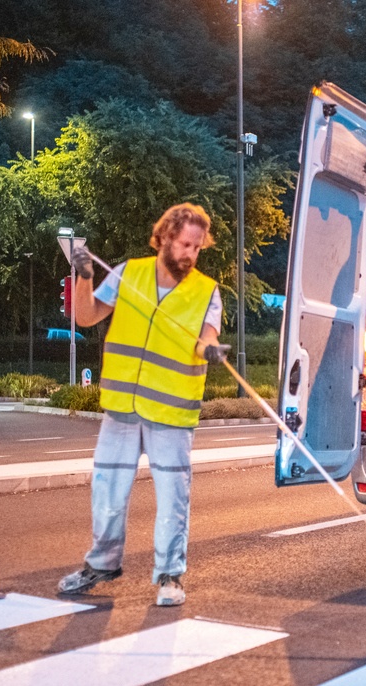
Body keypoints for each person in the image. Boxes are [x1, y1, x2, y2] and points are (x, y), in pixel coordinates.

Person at [57, 203, 228, 607]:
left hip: (171, 411)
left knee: (172, 498)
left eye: (197, 247)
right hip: (122, 408)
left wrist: (210, 349)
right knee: (107, 493)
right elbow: (86, 317)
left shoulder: (206, 290)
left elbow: (206, 336)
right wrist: (85, 277)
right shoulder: (128, 274)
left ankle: (170, 576)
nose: (190, 254)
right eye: (184, 244)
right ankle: (101, 564)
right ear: (165, 237)